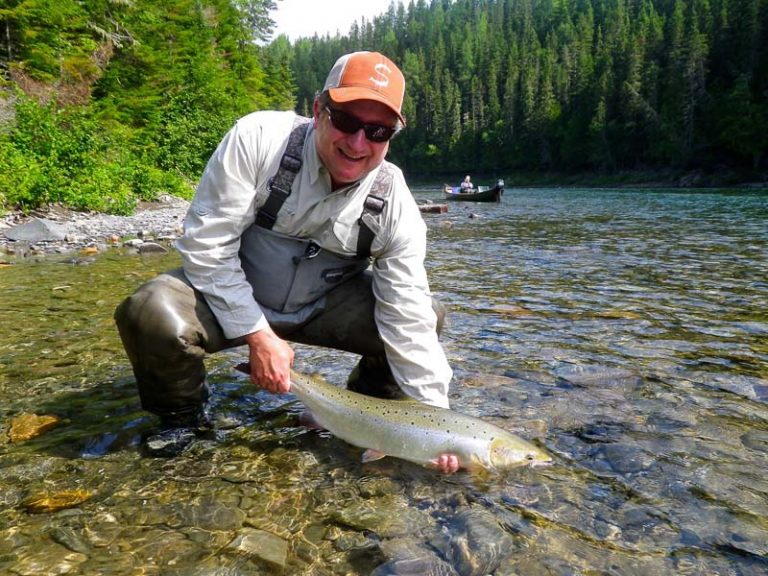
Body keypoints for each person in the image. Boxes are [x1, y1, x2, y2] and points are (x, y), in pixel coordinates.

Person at [114, 51, 458, 473]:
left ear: (392, 135)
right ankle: (182, 420)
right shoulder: (258, 139)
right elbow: (207, 246)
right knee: (151, 314)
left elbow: (407, 316)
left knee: (428, 313)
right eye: (346, 121)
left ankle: (362, 416)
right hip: (232, 296)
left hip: (322, 307)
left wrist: (438, 426)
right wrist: (258, 336)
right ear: (318, 110)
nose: (357, 143)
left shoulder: (395, 203)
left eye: (377, 131)